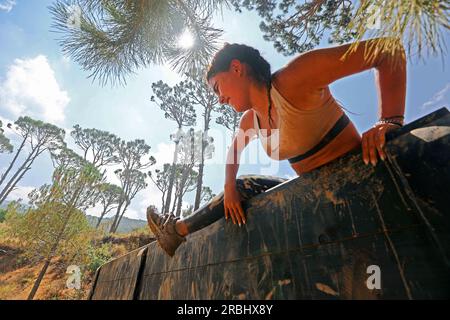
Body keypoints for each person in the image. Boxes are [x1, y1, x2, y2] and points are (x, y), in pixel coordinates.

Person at [147, 38, 407, 257]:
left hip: (359, 177)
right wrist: (229, 186)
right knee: (241, 187)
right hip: (312, 194)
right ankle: (175, 232)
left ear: (236, 68)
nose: (219, 100)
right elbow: (234, 152)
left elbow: (388, 50)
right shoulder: (250, 120)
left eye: (217, 88)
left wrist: (390, 120)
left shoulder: (296, 77)